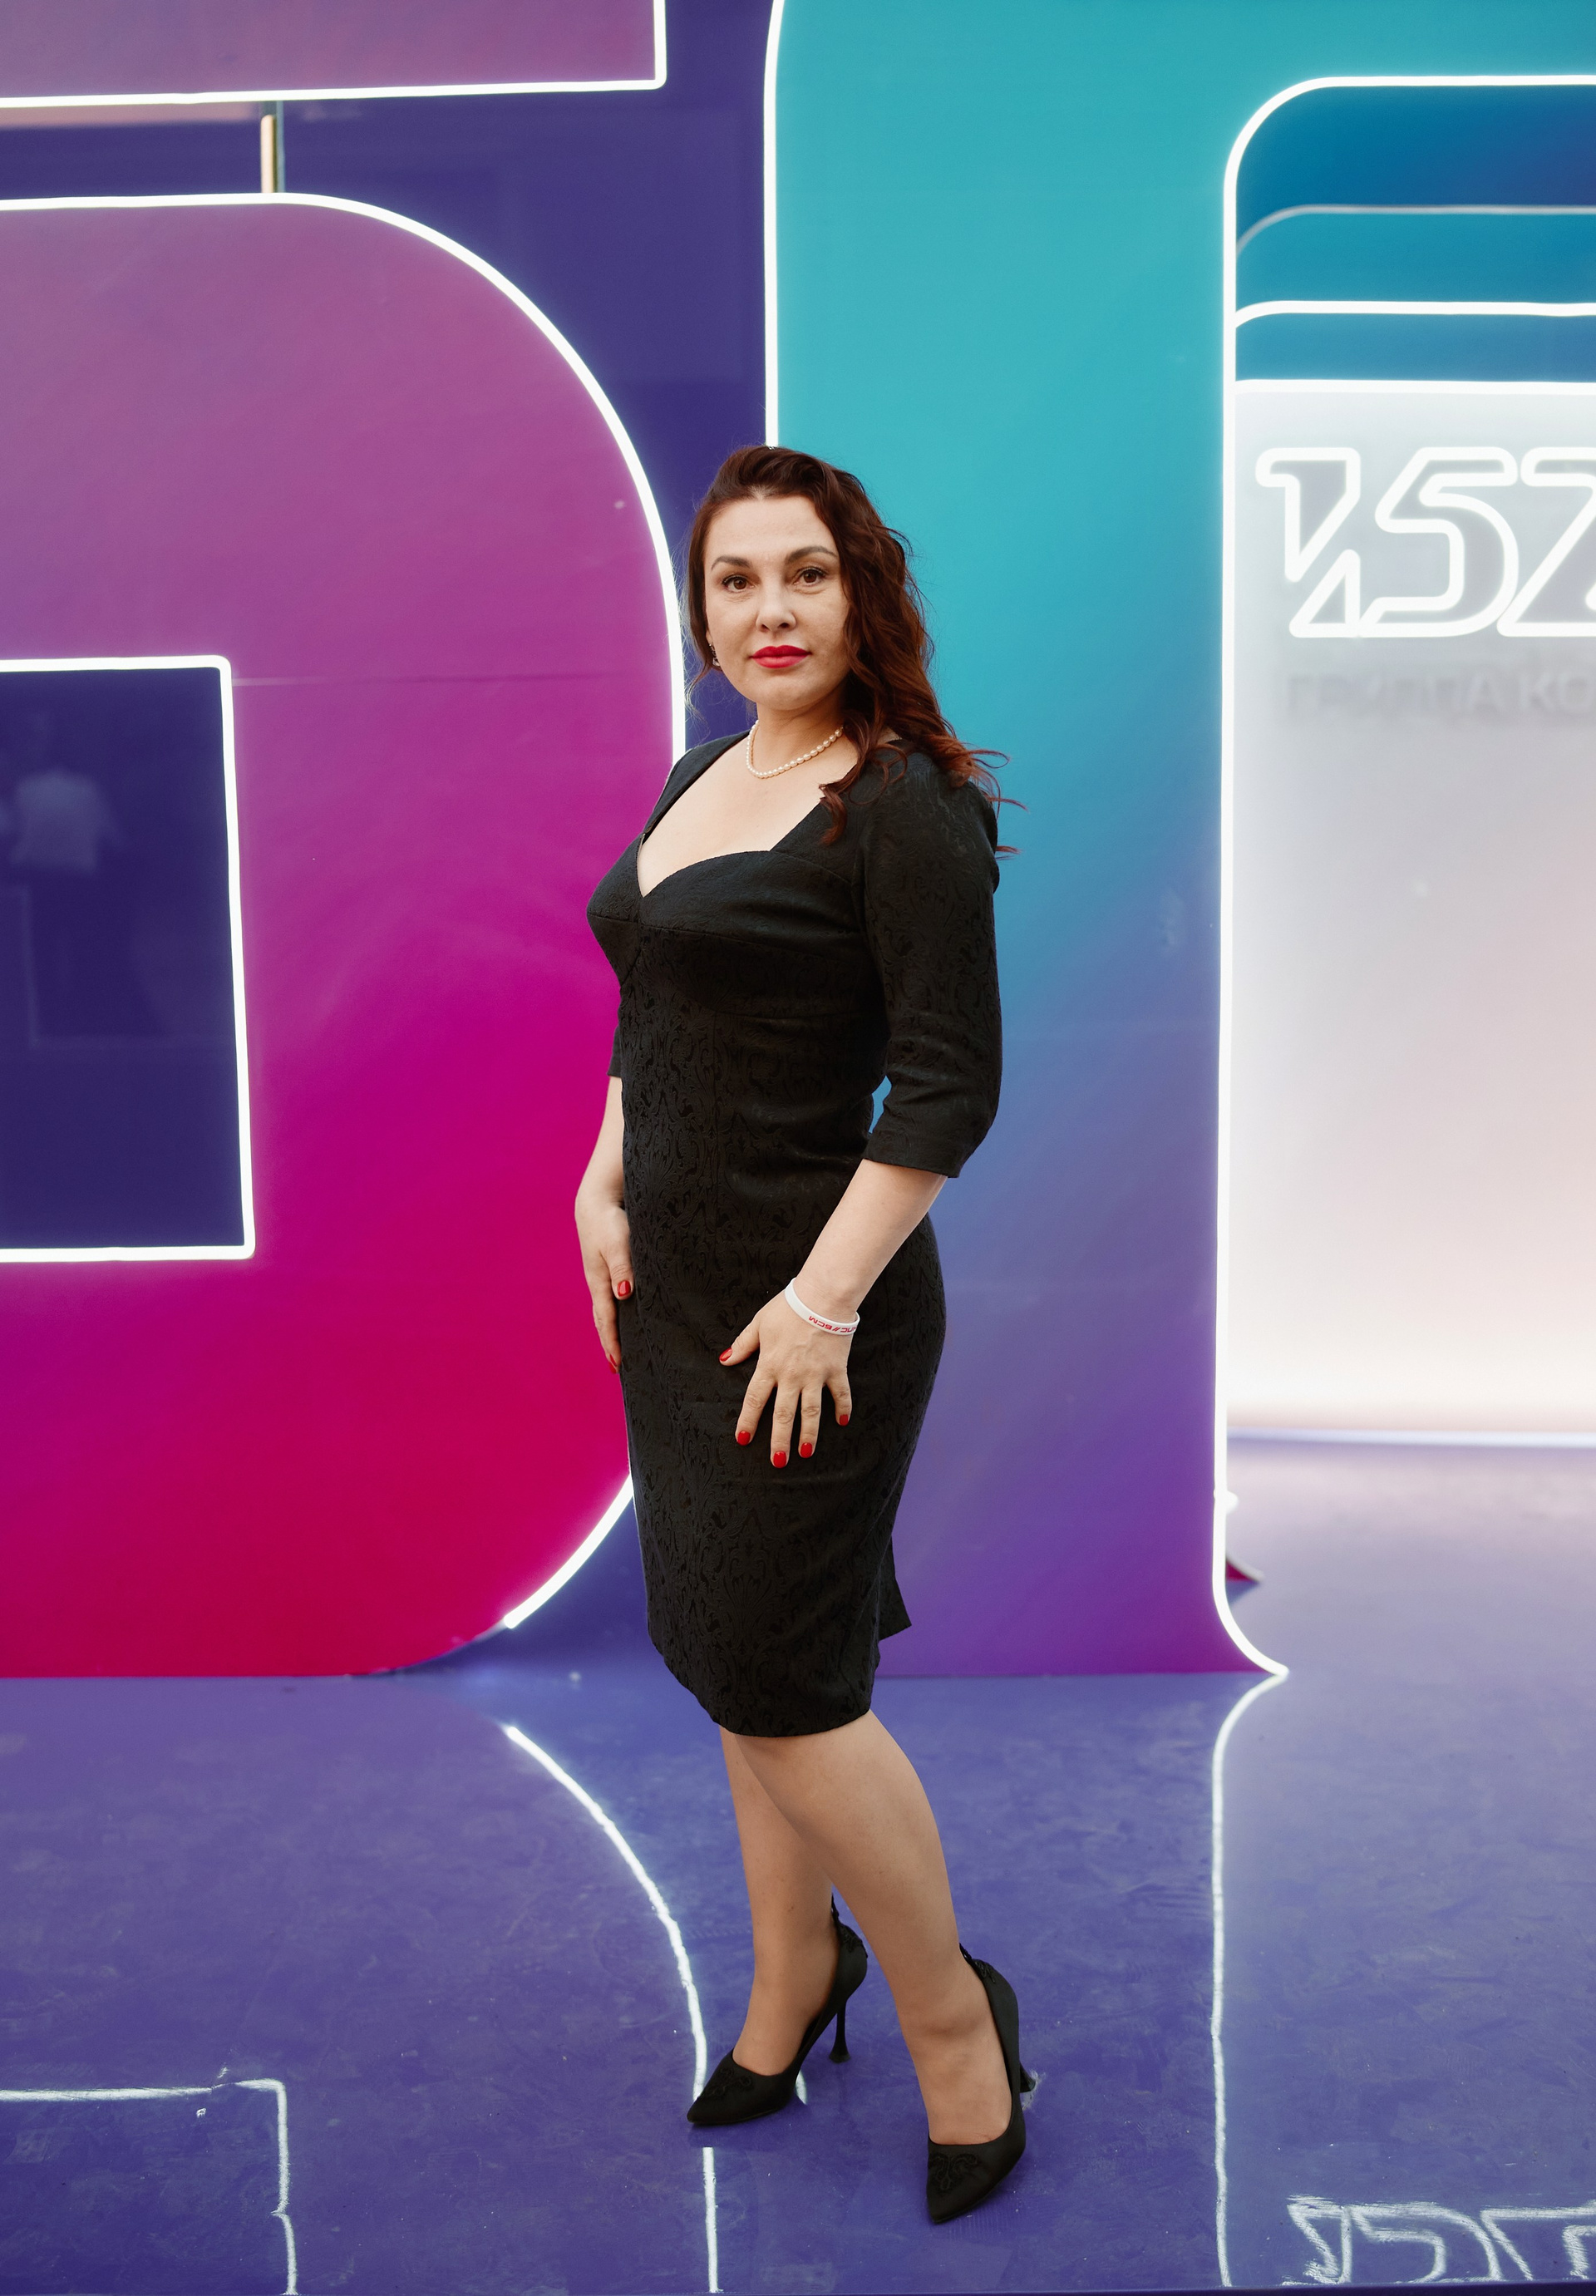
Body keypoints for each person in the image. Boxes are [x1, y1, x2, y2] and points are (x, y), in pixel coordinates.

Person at [579, 446, 1027, 2223]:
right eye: (737, 579)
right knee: (731, 1662)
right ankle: (789, 1978)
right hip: (675, 1298)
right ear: (704, 610)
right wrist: (601, 1176)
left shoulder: (901, 802)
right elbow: (655, 1006)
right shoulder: (707, 773)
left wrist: (824, 1299)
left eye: (806, 574)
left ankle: (956, 2030)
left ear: (861, 595)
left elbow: (948, 1085)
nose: (770, 610)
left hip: (811, 1315)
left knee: (788, 1682)